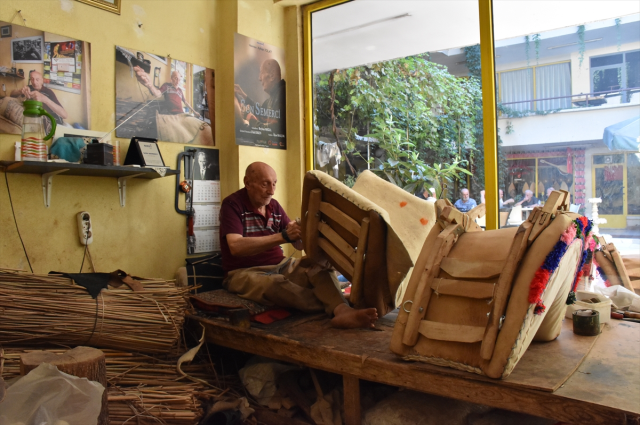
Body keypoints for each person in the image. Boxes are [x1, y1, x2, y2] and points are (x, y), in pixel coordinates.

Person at [220, 162, 378, 329]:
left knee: (317, 267)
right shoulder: (232, 205)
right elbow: (236, 246)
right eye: (264, 184)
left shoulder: (274, 206)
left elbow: (298, 243)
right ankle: (339, 304)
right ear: (247, 182)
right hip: (243, 272)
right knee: (275, 285)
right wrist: (283, 236)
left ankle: (341, 310)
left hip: (281, 265)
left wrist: (306, 232)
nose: (271, 191)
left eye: (274, 184)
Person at [234, 59, 286, 129]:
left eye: (261, 73)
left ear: (272, 75)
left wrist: (249, 117)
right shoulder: (274, 97)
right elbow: (261, 112)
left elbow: (269, 131)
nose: (259, 78)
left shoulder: (283, 97)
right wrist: (243, 96)